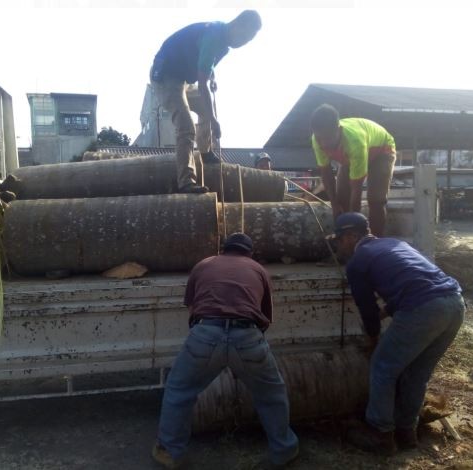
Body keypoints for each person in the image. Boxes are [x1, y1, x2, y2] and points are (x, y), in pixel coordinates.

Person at [152, 233, 299, 469]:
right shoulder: (258, 269)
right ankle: (284, 450)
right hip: (247, 335)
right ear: (249, 252)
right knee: (272, 395)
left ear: (224, 249)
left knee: (179, 391)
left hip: (206, 333)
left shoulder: (204, 264)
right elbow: (266, 318)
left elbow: (192, 306)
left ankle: (169, 452)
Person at [330, 212, 465, 454]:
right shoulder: (395, 244)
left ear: (352, 236)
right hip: (454, 303)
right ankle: (406, 431)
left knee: (383, 367)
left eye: (338, 240)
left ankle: (380, 433)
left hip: (424, 308)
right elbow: (415, 279)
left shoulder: (358, 261)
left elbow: (366, 307)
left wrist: (373, 338)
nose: (337, 245)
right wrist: (388, 310)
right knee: (417, 373)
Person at [150, 11, 262, 194]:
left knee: (204, 108)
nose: (243, 43)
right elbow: (202, 85)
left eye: (248, 41)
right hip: (166, 77)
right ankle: (186, 182)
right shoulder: (214, 36)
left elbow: (206, 62)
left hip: (184, 79)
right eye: (244, 37)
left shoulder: (224, 43)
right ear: (237, 25)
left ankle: (205, 152)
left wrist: (212, 76)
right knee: (186, 126)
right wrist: (214, 119)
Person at [310, 104, 396, 236]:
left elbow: (356, 190)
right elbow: (326, 173)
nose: (324, 144)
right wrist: (334, 205)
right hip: (350, 157)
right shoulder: (317, 140)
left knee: (375, 200)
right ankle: (346, 243)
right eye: (320, 138)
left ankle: (375, 242)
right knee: (341, 198)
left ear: (338, 130)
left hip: (381, 150)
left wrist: (352, 227)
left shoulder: (355, 141)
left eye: (327, 138)